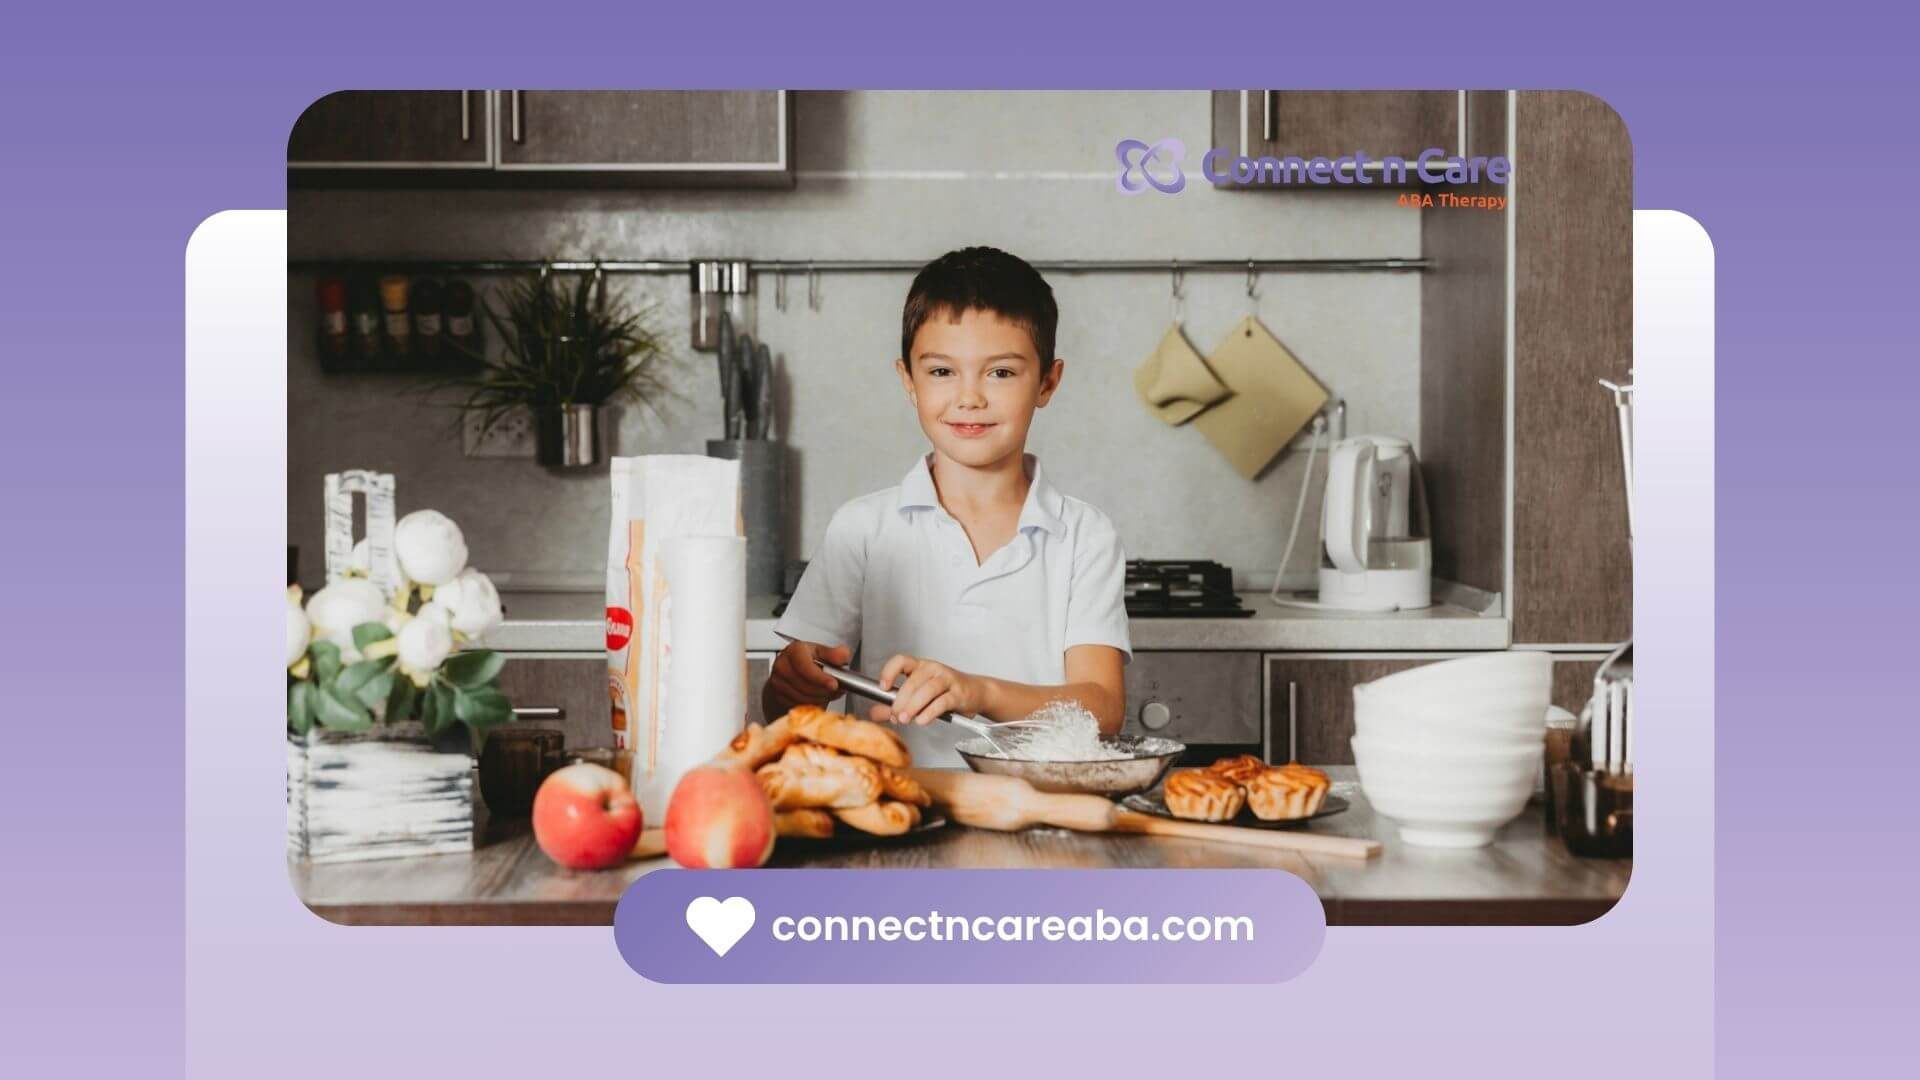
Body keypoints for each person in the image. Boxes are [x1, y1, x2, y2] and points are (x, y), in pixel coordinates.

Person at [765, 247, 1132, 766]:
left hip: (1037, 818)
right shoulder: (862, 530)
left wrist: (977, 691)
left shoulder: (1085, 535)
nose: (969, 398)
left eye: (1000, 373)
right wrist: (794, 680)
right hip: (894, 818)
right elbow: (784, 712)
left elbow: (1103, 707)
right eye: (941, 372)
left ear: (1048, 382)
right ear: (908, 381)